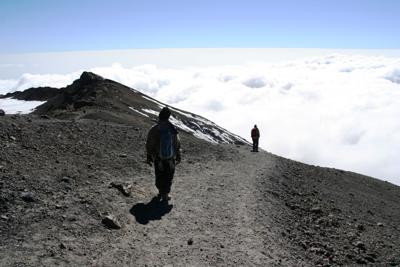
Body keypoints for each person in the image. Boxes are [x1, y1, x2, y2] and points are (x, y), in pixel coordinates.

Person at [146, 107, 181, 201]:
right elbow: (176, 143)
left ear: (159, 116)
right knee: (169, 176)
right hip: (170, 158)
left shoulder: (154, 129)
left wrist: (149, 156)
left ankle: (161, 192)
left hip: (158, 158)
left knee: (159, 175)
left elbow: (149, 144)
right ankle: (165, 194)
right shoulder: (172, 129)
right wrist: (178, 154)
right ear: (168, 117)